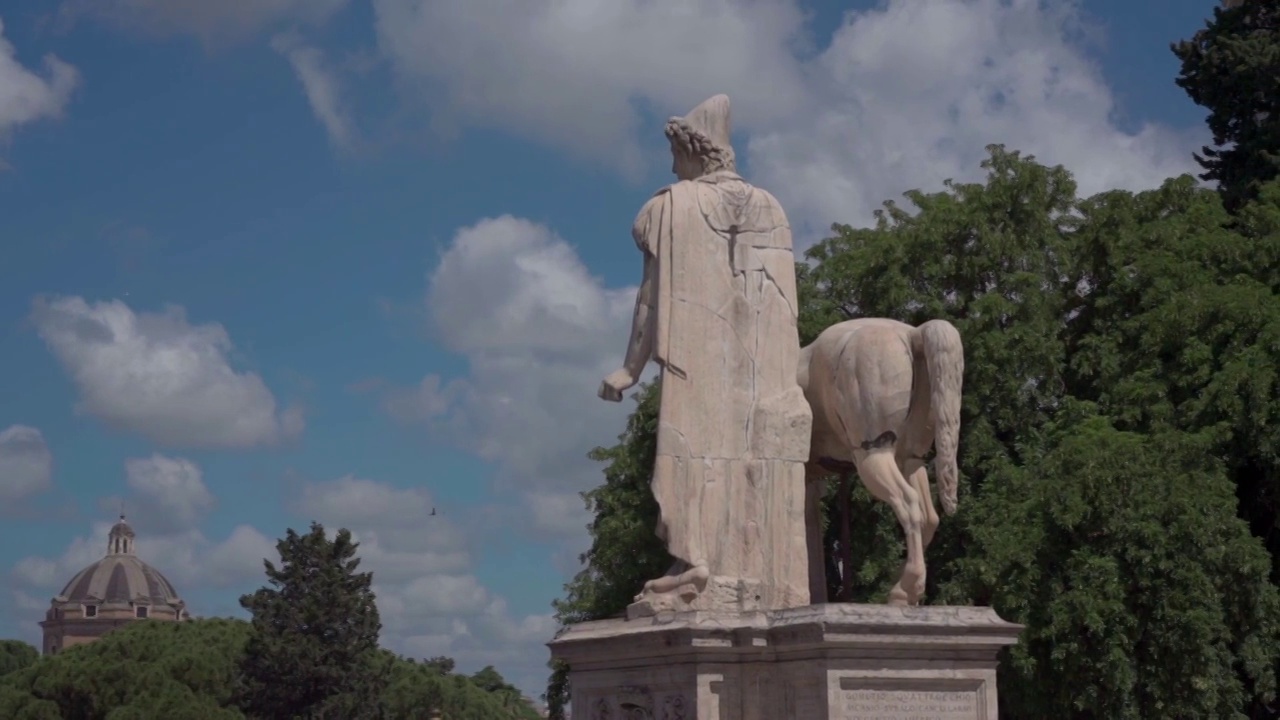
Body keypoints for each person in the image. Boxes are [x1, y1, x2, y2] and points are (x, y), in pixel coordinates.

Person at [598, 95, 812, 613]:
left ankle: (697, 564)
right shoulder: (771, 207)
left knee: (688, 466)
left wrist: (630, 368)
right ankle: (749, 573)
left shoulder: (669, 206)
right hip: (766, 373)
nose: (673, 165)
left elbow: (650, 297)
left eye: (676, 152)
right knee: (750, 470)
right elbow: (786, 303)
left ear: (693, 152)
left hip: (695, 365)